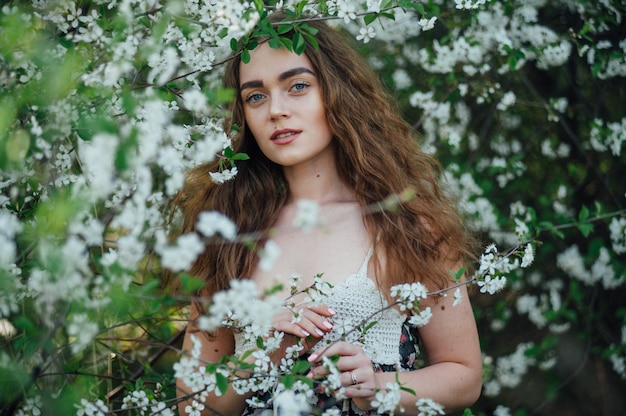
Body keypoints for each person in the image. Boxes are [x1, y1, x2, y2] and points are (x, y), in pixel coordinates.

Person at [175, 10, 482, 416]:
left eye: (297, 86)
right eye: (255, 96)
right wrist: (261, 354)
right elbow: (190, 407)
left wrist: (378, 385)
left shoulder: (409, 225)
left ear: (337, 92)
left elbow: (465, 377)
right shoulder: (226, 235)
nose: (276, 110)